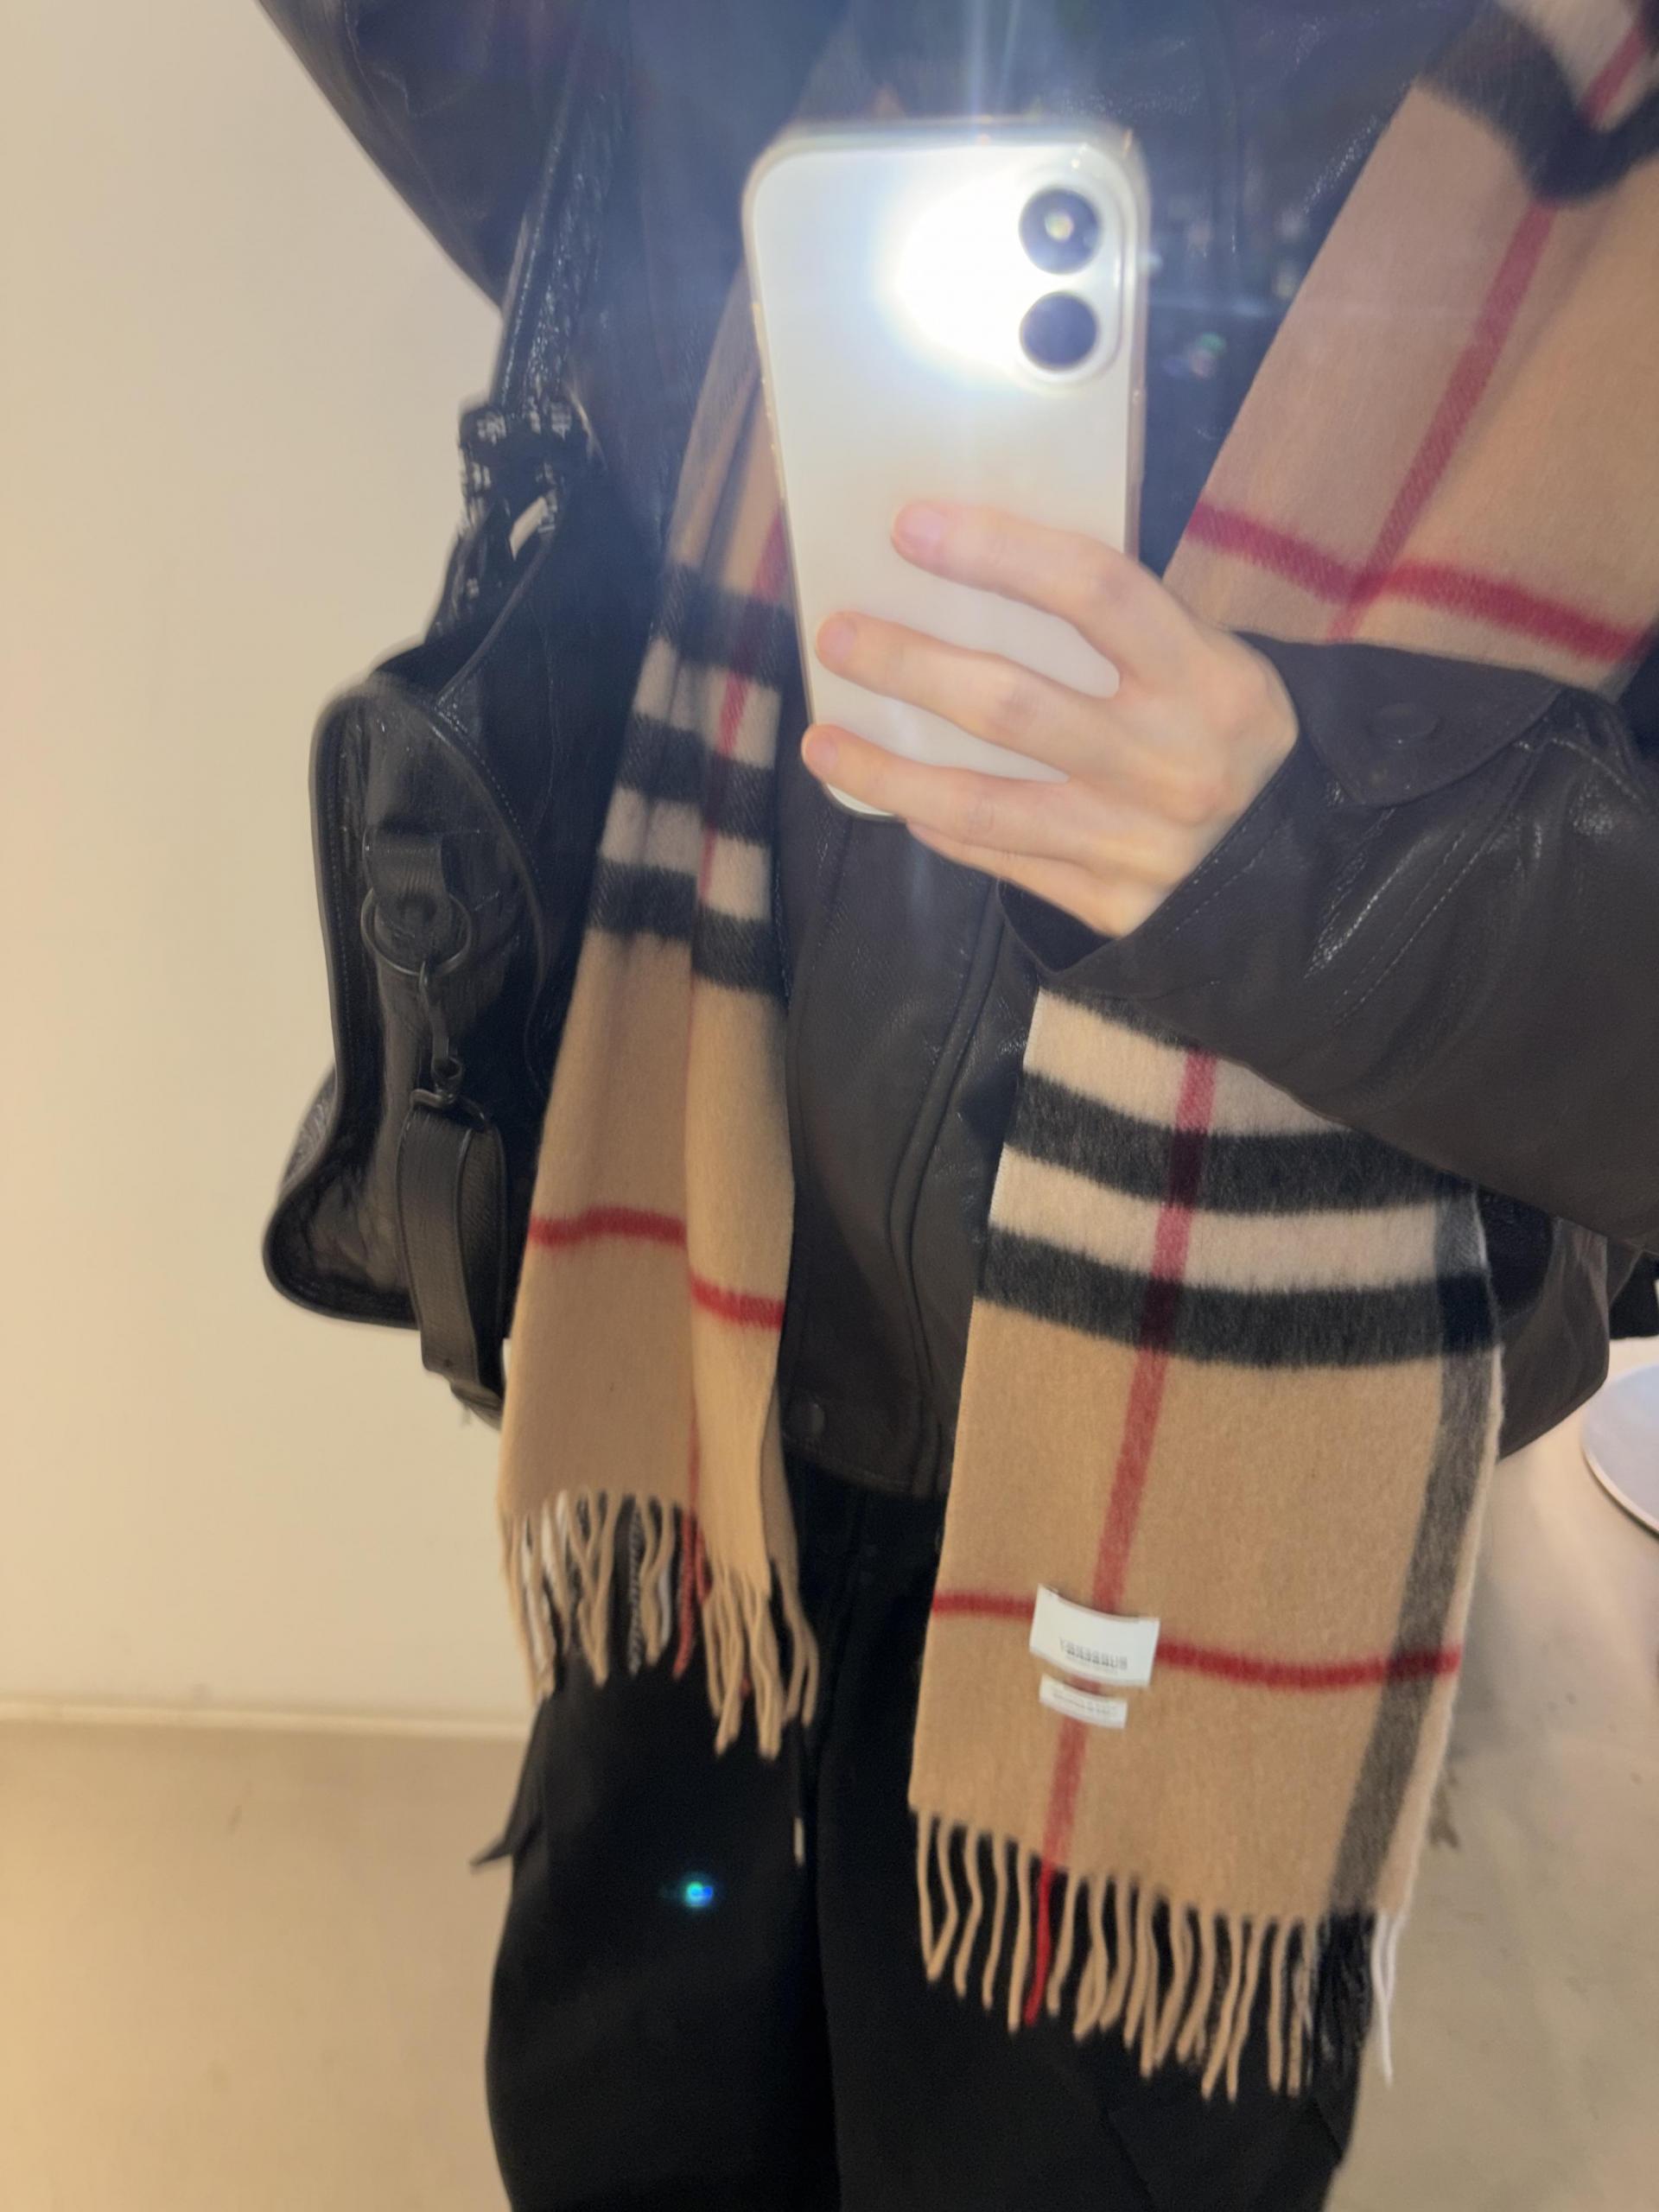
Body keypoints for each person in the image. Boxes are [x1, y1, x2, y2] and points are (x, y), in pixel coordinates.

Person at [261, 3, 1659, 2206]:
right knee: (625, 2122)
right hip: (716, 1421)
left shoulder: (1606, 185)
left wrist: (1288, 861)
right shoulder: (800, 53)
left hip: (1184, 1551)